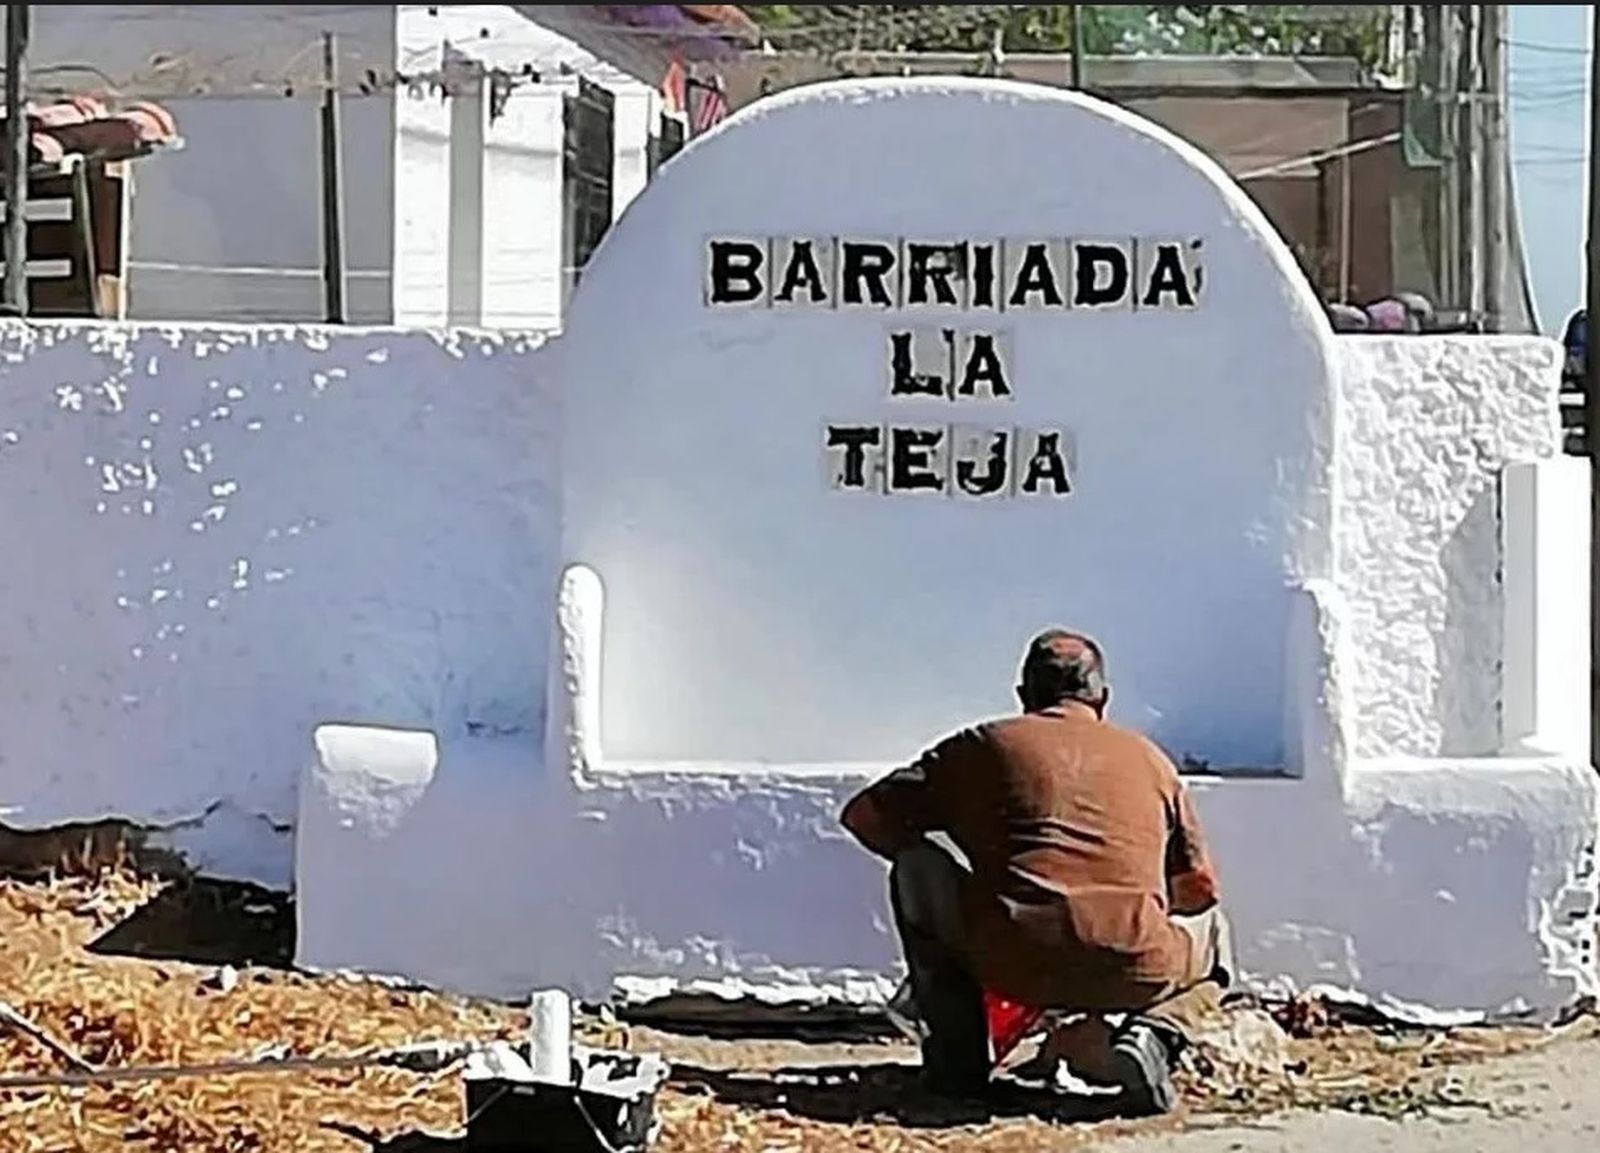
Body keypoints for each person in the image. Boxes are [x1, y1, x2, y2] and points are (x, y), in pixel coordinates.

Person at [839, 630, 1234, 1114]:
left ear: (1025, 696)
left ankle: (957, 1061)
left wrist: (972, 867)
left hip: (1008, 960)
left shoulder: (981, 745)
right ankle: (1156, 1033)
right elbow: (1199, 887)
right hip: (1133, 969)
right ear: (1102, 699)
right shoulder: (1151, 761)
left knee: (916, 867)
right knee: (1214, 927)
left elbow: (864, 815)